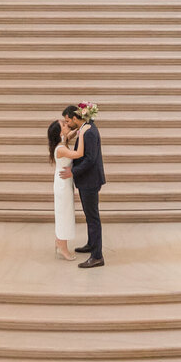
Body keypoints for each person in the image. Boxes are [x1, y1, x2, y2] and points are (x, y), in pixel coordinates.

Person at [61, 103, 105, 267]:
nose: (67, 124)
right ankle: (91, 244)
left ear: (74, 118)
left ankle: (97, 256)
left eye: (68, 121)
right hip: (87, 180)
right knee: (89, 216)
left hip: (90, 180)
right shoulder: (84, 128)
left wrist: (73, 171)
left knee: (93, 218)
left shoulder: (89, 132)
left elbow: (90, 159)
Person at [47, 115, 85, 260]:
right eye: (63, 124)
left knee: (64, 212)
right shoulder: (60, 148)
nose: (66, 124)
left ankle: (59, 241)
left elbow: (71, 133)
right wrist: (83, 135)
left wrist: (81, 126)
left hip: (65, 182)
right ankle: (62, 246)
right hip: (62, 184)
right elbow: (79, 153)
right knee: (64, 214)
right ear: (59, 132)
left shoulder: (63, 141)